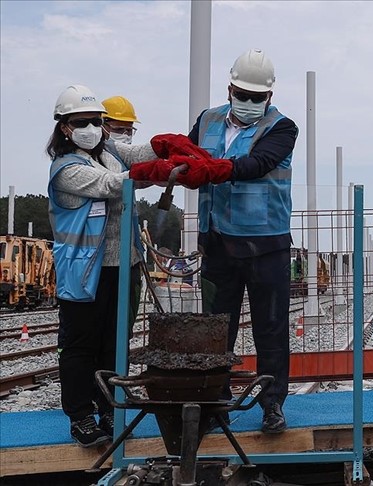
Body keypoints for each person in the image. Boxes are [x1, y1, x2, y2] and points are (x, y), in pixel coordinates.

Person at [151, 49, 298, 433]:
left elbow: (258, 164)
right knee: (217, 328)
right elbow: (188, 151)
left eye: (257, 97)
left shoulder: (283, 128)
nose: (249, 103)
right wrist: (172, 155)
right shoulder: (208, 119)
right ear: (230, 88)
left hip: (265, 245)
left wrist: (215, 168)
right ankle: (214, 403)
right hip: (217, 242)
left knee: (270, 328)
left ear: (269, 95)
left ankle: (272, 404)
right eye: (243, 95)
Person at [47, 85, 182, 447]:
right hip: (84, 271)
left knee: (113, 342)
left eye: (96, 121)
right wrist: (152, 171)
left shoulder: (108, 151)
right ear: (65, 128)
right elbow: (110, 185)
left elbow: (135, 151)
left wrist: (169, 144)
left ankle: (108, 406)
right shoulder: (66, 169)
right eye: (82, 122)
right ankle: (80, 416)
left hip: (122, 266)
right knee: (80, 345)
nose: (91, 128)